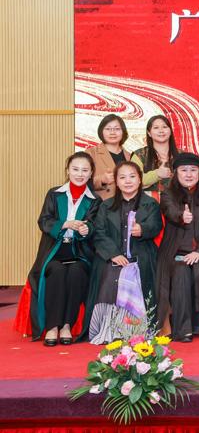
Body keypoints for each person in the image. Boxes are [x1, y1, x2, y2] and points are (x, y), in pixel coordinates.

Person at [27, 152, 101, 346]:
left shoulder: (95, 199)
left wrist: (86, 229)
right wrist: (65, 224)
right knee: (57, 272)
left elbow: (94, 225)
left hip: (80, 252)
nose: (80, 174)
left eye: (85, 170)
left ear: (91, 173)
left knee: (77, 272)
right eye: (75, 169)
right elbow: (44, 221)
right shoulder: (54, 194)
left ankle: (67, 325)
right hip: (54, 251)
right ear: (67, 170)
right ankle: (52, 327)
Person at [86, 162, 162, 344]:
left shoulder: (150, 204)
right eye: (122, 177)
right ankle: (110, 330)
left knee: (138, 274)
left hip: (141, 255)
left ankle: (138, 330)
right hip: (112, 257)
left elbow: (156, 225)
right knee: (111, 274)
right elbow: (99, 232)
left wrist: (142, 229)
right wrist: (113, 254)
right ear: (116, 182)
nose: (128, 181)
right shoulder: (106, 205)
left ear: (140, 180)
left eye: (132, 176)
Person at [156, 153, 199, 342]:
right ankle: (182, 330)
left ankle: (196, 324)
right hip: (175, 252)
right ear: (176, 173)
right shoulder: (167, 194)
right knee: (181, 271)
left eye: (193, 170)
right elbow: (170, 210)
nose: (189, 174)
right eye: (184, 170)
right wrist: (181, 216)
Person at [130, 115, 180, 198]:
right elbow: (132, 180)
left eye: (164, 127)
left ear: (170, 131)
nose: (161, 131)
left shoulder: (182, 155)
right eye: (156, 128)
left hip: (177, 202)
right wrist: (157, 174)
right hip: (147, 203)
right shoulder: (139, 155)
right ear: (149, 133)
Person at [86, 114, 132, 200]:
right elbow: (80, 181)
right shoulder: (91, 153)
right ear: (101, 131)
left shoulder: (130, 156)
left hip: (127, 204)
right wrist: (102, 180)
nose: (112, 132)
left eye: (117, 129)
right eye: (108, 129)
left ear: (123, 132)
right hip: (102, 204)